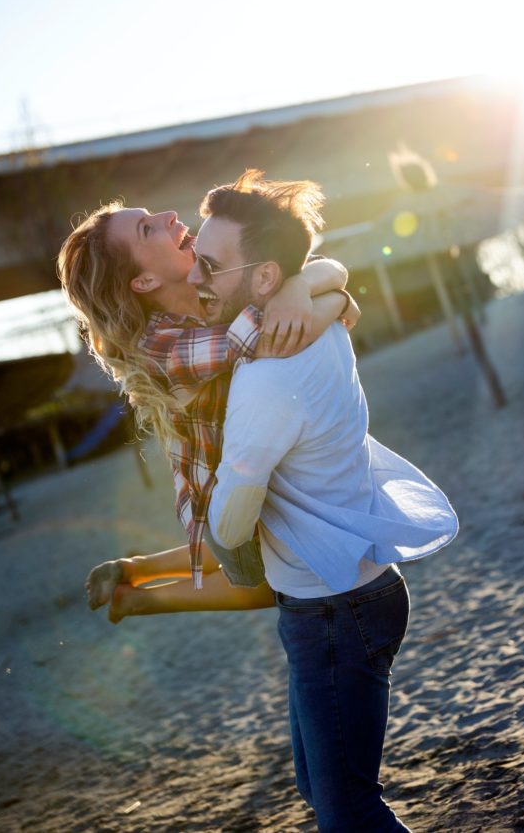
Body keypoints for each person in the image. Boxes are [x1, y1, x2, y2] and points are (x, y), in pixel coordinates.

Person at [190, 170, 459, 832]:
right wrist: (315, 282)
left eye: (208, 264)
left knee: (345, 807)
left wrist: (226, 535)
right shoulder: (316, 322)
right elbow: (325, 273)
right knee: (321, 787)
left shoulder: (267, 375)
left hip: (335, 609)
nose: (195, 274)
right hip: (349, 595)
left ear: (263, 279)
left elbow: (229, 518)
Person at [57, 197, 357, 621]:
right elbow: (274, 334)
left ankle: (133, 568)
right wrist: (335, 301)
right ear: (142, 281)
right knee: (276, 582)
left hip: (248, 492)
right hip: (228, 508)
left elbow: (324, 267)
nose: (169, 216)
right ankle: (140, 598)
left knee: (251, 552)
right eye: (147, 229)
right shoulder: (161, 346)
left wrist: (302, 287)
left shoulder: (212, 298)